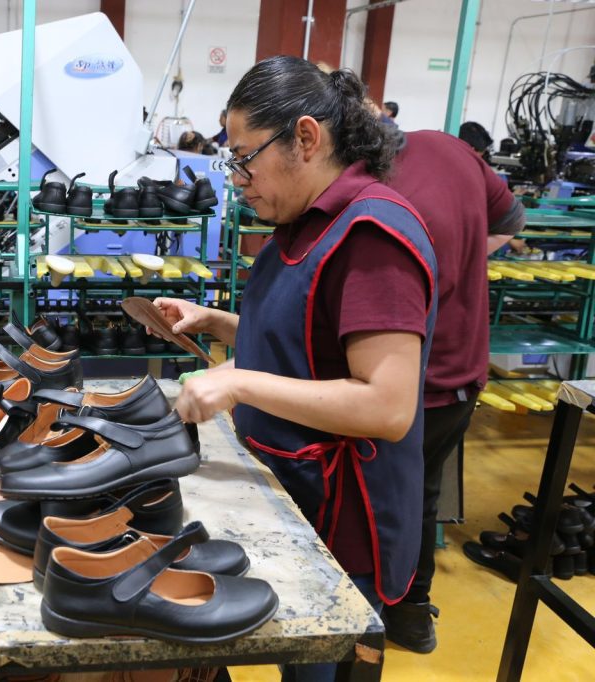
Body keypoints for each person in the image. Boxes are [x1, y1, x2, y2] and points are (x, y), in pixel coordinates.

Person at [154, 56, 436, 682]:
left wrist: (238, 380)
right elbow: (308, 340)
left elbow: (387, 407)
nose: (238, 178)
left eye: (245, 156)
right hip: (292, 495)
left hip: (343, 523)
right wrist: (218, 322)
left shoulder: (371, 235)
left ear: (306, 138)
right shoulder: (299, 224)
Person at [378, 128, 524, 653]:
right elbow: (513, 218)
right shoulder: (448, 147)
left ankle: (375, 611)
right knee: (422, 494)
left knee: (387, 495)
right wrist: (461, 263)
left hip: (420, 374)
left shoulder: (372, 189)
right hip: (464, 367)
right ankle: (412, 615)